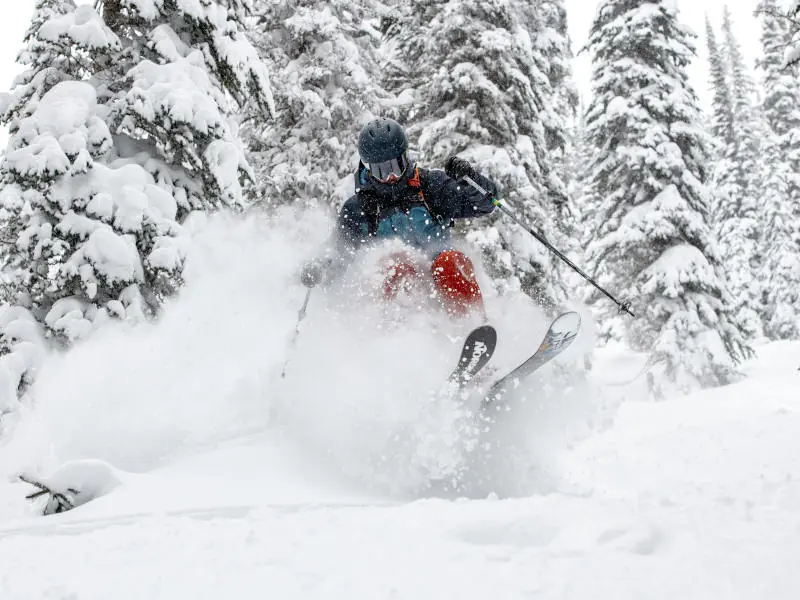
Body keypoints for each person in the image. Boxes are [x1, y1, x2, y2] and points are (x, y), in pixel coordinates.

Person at [301, 117, 499, 318]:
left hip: (440, 279)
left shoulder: (430, 186)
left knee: (448, 262)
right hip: (398, 291)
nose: (391, 177)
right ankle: (397, 333)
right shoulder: (359, 208)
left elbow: (486, 205)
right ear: (368, 168)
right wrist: (319, 266)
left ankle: (471, 324)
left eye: (396, 166)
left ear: (405, 157)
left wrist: (470, 180)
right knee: (395, 267)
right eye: (381, 171)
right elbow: (338, 250)